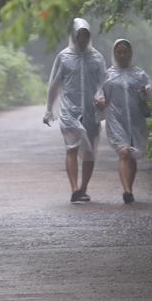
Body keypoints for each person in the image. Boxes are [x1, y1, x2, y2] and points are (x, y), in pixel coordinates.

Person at [43, 18, 107, 203]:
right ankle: (74, 189)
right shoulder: (64, 57)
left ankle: (83, 188)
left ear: (89, 36)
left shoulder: (97, 58)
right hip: (69, 110)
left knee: (89, 152)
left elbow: (104, 83)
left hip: (91, 110)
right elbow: (54, 85)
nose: (83, 38)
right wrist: (49, 109)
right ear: (74, 36)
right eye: (79, 35)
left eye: (86, 35)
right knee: (71, 148)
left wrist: (100, 95)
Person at [98, 39, 152, 204]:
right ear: (114, 53)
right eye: (119, 52)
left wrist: (146, 91)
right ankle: (126, 190)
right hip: (115, 119)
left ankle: (129, 188)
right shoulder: (107, 75)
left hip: (136, 119)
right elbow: (99, 94)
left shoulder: (140, 74)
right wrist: (100, 102)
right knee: (123, 152)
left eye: (125, 52)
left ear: (130, 53)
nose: (122, 55)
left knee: (131, 154)